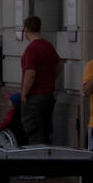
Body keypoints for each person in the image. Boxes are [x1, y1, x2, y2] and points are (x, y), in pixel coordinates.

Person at [19, 15, 60, 146]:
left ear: (25, 29)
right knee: (46, 133)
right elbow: (59, 65)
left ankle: (37, 164)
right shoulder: (48, 45)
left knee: (35, 134)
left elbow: (30, 73)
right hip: (48, 96)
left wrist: (24, 93)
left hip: (35, 98)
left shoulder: (32, 48)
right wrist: (50, 78)